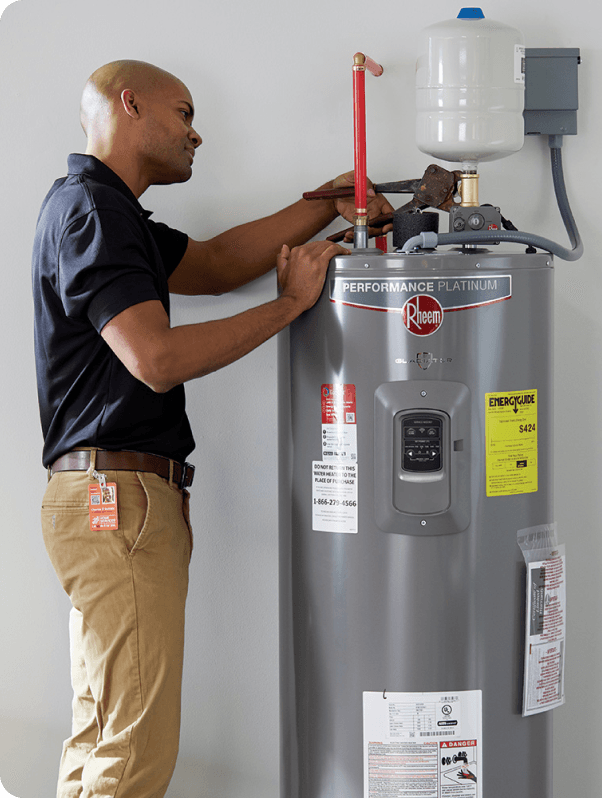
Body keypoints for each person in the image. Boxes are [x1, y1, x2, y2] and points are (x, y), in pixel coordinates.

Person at [32, 59, 392, 798]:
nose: (198, 133)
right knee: (132, 752)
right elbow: (156, 359)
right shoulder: (93, 211)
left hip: (107, 501)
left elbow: (222, 262)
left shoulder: (106, 213)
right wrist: (291, 306)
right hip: (119, 502)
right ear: (129, 105)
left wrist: (331, 200)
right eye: (184, 113)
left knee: (103, 736)